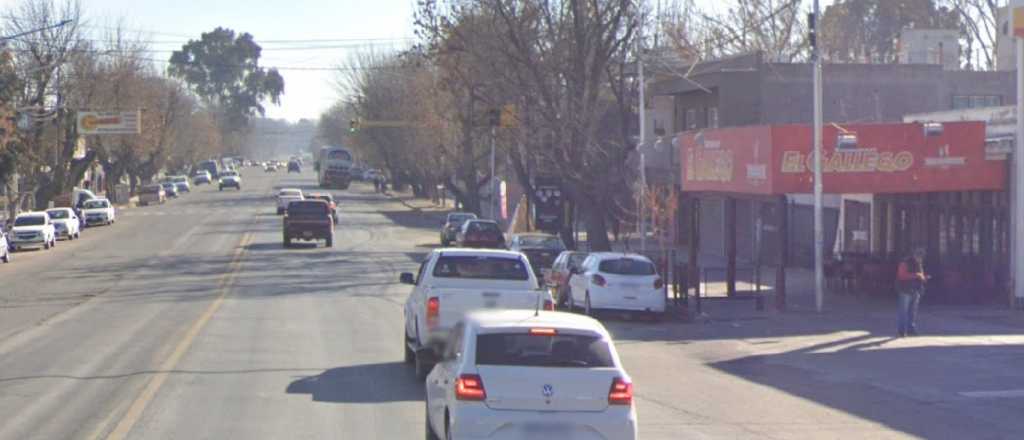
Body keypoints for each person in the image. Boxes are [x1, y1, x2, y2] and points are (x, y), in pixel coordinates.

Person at [896, 247, 928, 337]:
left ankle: (911, 329)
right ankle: (901, 331)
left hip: (916, 289)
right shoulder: (905, 263)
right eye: (919, 257)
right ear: (914, 255)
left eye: (921, 257)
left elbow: (920, 275)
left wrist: (923, 278)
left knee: (913, 311)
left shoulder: (919, 264)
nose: (920, 259)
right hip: (905, 290)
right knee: (903, 311)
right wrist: (916, 275)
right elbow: (901, 276)